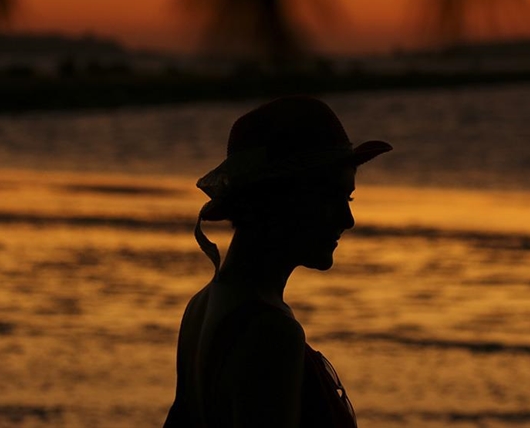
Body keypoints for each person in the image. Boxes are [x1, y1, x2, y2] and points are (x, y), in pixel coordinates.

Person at [164, 96, 391, 427]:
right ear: (281, 200)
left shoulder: (200, 307)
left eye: (349, 198)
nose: (348, 218)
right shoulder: (272, 333)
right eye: (332, 197)